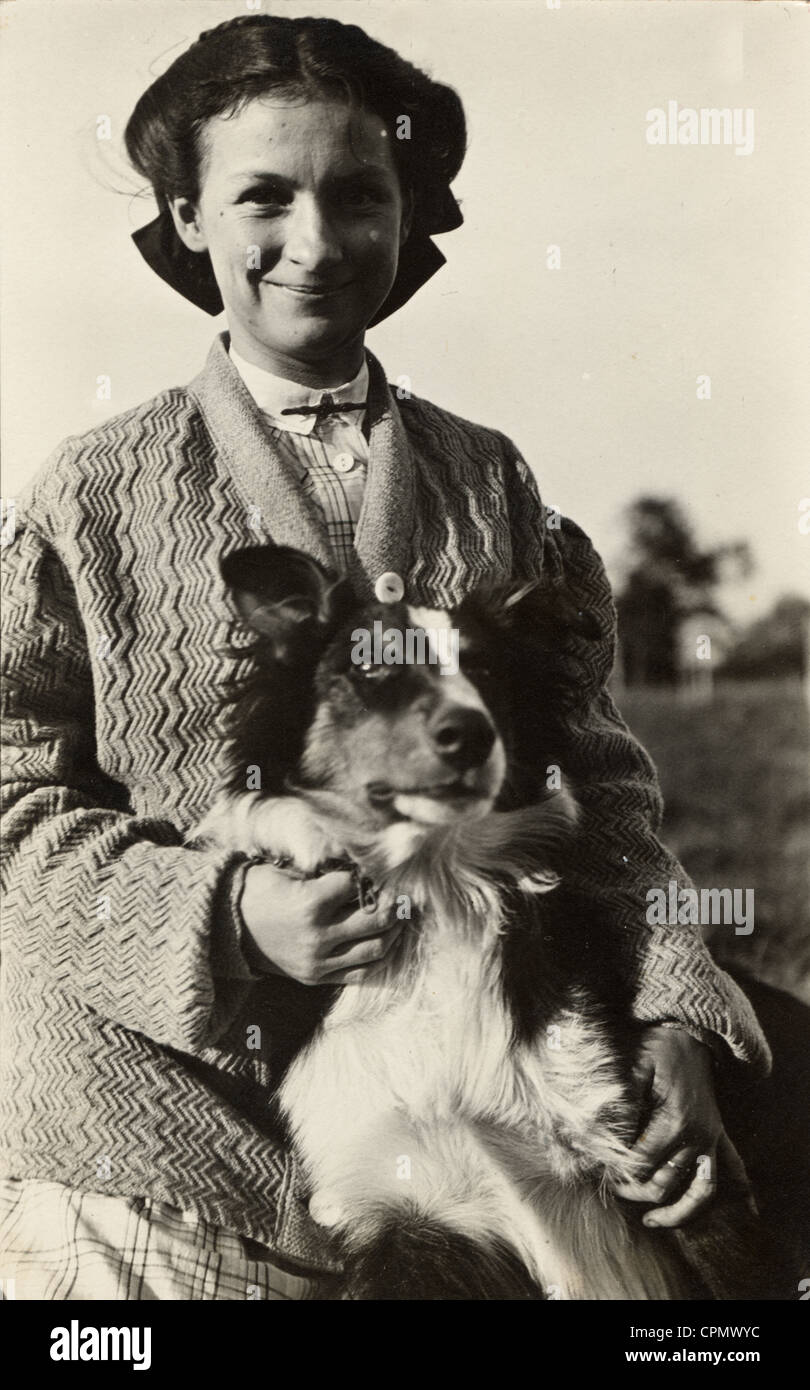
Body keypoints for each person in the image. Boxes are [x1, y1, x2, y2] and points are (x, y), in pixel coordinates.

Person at [0, 13, 770, 1301]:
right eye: (263, 196)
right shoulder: (93, 492)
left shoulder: (488, 476)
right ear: (188, 218)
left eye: (360, 195)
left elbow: (608, 789)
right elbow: (8, 800)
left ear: (410, 217)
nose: (315, 241)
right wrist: (228, 916)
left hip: (488, 1126)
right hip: (153, 1137)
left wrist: (679, 1005)